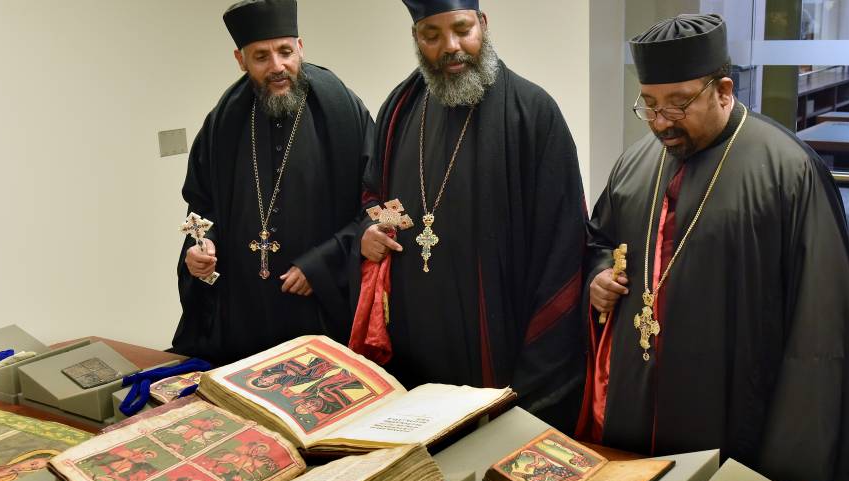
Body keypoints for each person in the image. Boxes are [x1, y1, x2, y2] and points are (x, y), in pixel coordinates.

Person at [578, 14, 849, 481]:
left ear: (723, 90)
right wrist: (597, 277)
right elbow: (599, 242)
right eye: (649, 105)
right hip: (637, 391)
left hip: (732, 394)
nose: (660, 122)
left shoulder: (788, 172)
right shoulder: (637, 163)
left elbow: (821, 320)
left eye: (678, 105)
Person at [350, 0, 586, 431]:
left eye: (462, 29)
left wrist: (537, 376)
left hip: (498, 348)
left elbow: (563, 247)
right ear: (417, 39)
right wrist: (368, 231)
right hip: (414, 347)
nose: (450, 47)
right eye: (432, 35)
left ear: (483, 23)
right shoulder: (400, 109)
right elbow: (372, 196)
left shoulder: (532, 113)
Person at [172, 0, 373, 364]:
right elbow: (202, 206)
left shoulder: (340, 109)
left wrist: (322, 265)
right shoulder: (224, 120)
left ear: (301, 48)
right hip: (246, 306)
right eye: (261, 56)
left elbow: (373, 202)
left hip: (318, 304)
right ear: (240, 59)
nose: (278, 66)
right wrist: (202, 247)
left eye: (285, 51)